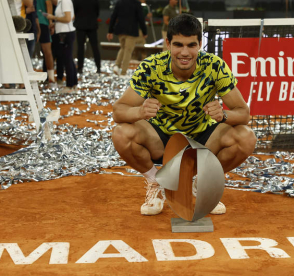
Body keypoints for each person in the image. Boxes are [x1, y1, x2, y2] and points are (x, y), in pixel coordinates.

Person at [111, 14, 257, 216]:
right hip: (161, 139)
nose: (185, 52)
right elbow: (119, 111)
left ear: (199, 44)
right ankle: (157, 182)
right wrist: (140, 111)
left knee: (246, 137)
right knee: (121, 134)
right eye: (178, 45)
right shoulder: (151, 67)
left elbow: (244, 114)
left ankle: (204, 183)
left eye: (191, 45)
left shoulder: (215, 66)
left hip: (203, 140)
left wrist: (223, 115)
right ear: (168, 44)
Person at [107, 0, 147, 77]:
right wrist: (144, 32)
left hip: (120, 30)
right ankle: (123, 72)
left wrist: (110, 31)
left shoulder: (120, 2)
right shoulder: (136, 3)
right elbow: (141, 18)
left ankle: (117, 65)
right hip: (131, 31)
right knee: (128, 51)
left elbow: (113, 16)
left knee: (122, 48)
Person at [47, 0, 78, 92]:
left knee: (67, 59)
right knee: (68, 59)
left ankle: (70, 85)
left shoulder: (64, 1)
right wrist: (56, 23)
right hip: (64, 32)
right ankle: (73, 84)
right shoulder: (63, 2)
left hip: (66, 33)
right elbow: (71, 17)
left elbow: (68, 18)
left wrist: (54, 18)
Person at [73, 0, 101, 74]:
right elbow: (97, 12)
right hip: (92, 25)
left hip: (80, 25)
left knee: (80, 48)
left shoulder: (77, 1)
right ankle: (98, 67)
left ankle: (80, 68)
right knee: (95, 47)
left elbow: (74, 11)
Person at [37, 0, 57, 88]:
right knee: (47, 52)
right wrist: (50, 23)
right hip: (43, 22)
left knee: (47, 52)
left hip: (36, 21)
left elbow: (49, 4)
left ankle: (51, 79)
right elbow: (49, 5)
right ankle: (51, 79)